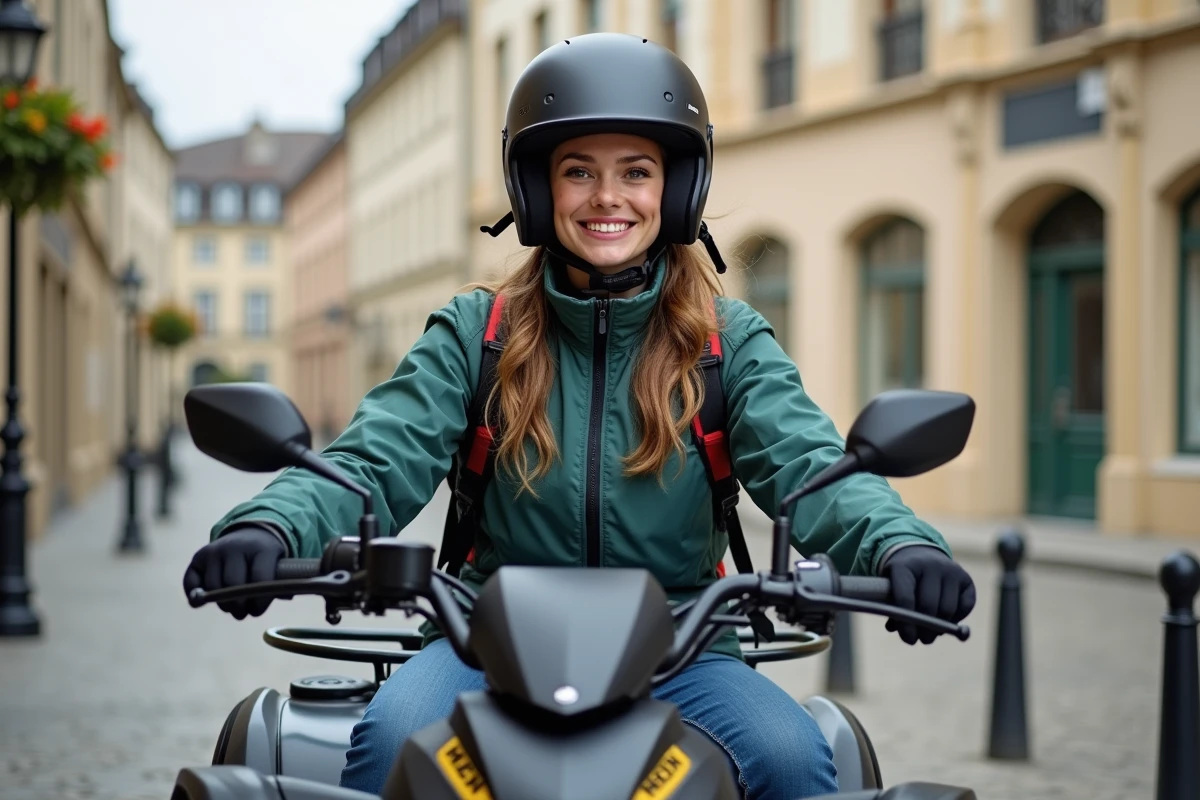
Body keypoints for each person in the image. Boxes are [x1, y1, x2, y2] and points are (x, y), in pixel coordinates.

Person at [182, 33, 976, 800]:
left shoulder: (724, 343)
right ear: (534, 188)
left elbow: (809, 465)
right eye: (577, 171)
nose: (607, 198)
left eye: (636, 170)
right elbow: (374, 458)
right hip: (483, 639)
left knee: (790, 757)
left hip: (682, 643)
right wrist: (272, 527)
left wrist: (899, 543)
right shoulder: (476, 331)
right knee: (394, 742)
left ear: (678, 188)